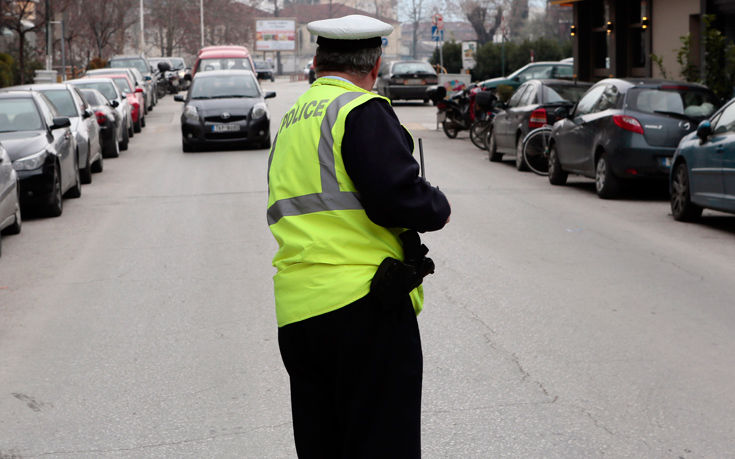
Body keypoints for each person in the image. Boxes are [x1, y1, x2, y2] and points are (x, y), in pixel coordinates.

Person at [266, 14, 451, 458]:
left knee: (324, 445)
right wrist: (437, 204)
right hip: (362, 307)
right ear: (376, 64)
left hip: (299, 313)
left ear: (316, 60)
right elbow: (395, 197)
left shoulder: (293, 120)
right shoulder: (359, 109)